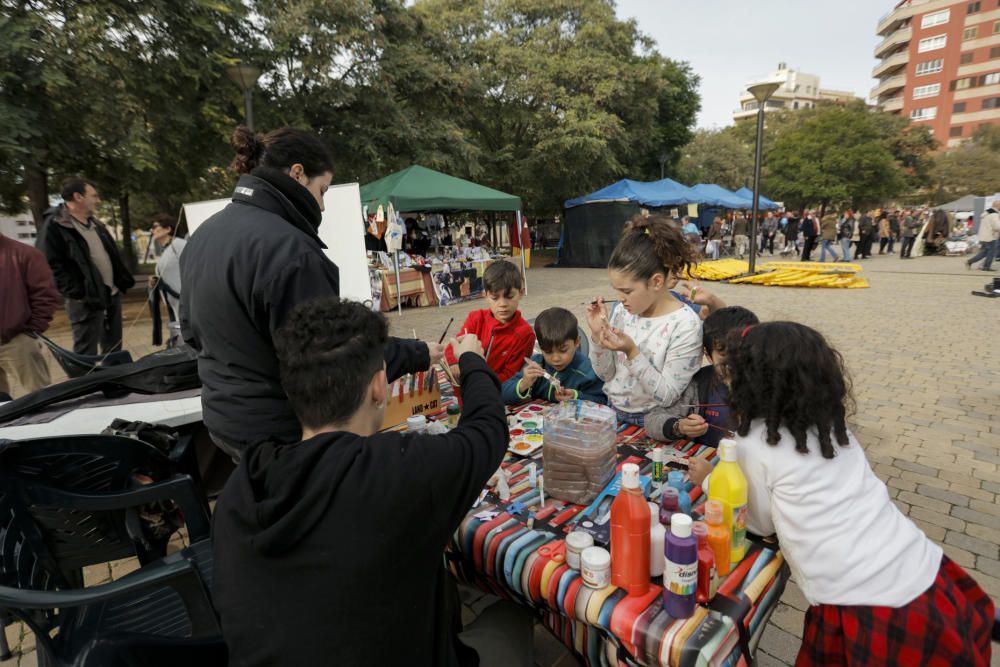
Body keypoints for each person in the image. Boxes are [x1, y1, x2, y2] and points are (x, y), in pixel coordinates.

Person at [213, 298, 531, 667]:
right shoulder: (398, 472)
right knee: (515, 613)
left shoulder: (243, 483)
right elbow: (488, 430)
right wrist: (472, 360)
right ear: (379, 386)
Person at [694, 322, 993, 665]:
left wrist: (712, 479)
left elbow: (759, 524)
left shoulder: (755, 442)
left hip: (862, 601)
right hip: (921, 569)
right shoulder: (830, 428)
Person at [180, 126, 441, 460]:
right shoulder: (291, 251)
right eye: (323, 190)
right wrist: (415, 353)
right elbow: (334, 359)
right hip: (279, 430)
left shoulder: (204, 234)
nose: (322, 204)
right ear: (298, 174)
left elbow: (189, 332)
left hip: (224, 419)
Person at [585, 213, 703, 428]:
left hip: (658, 422)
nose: (620, 298)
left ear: (656, 281)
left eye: (627, 291)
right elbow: (606, 374)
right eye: (617, 290)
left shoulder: (685, 324)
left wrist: (632, 352)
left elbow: (667, 396)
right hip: (613, 411)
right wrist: (597, 337)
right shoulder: (622, 311)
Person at [40, 176, 135, 355]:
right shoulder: (55, 225)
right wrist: (79, 293)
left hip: (111, 295)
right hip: (85, 300)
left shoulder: (96, 224)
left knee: (114, 349)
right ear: (78, 197)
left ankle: (115, 380)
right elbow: (49, 265)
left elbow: (111, 256)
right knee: (86, 352)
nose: (98, 200)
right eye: (94, 196)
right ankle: (88, 382)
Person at [646, 306, 759, 454]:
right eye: (723, 354)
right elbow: (651, 420)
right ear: (708, 355)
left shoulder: (769, 384)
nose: (733, 362)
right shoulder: (698, 383)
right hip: (705, 461)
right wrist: (678, 426)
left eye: (741, 352)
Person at [444, 260, 534, 384]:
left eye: (509, 296)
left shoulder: (525, 334)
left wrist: (482, 383)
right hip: (465, 386)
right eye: (495, 298)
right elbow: (453, 347)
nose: (502, 304)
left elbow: (511, 375)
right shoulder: (476, 318)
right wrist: (454, 364)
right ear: (485, 295)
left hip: (494, 392)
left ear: (521, 293)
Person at [501, 307, 605, 405]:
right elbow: (501, 394)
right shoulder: (538, 364)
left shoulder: (588, 371)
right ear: (540, 347)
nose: (556, 359)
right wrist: (523, 384)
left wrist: (576, 396)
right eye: (548, 352)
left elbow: (603, 401)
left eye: (563, 350)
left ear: (577, 342)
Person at [0, 231, 60, 397]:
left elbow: (45, 295)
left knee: (41, 400)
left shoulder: (26, 254)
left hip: (16, 340)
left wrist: (31, 331)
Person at [148, 214, 186, 347]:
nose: (151, 230)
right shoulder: (167, 250)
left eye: (155, 226)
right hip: (175, 309)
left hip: (186, 307)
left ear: (168, 229)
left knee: (186, 345)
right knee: (180, 345)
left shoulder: (179, 245)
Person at [967, 201, 1000, 271]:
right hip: (990, 237)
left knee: (984, 253)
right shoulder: (994, 214)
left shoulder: (987, 213)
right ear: (998, 206)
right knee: (991, 253)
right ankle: (986, 267)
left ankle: (969, 261)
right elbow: (997, 226)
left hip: (983, 236)